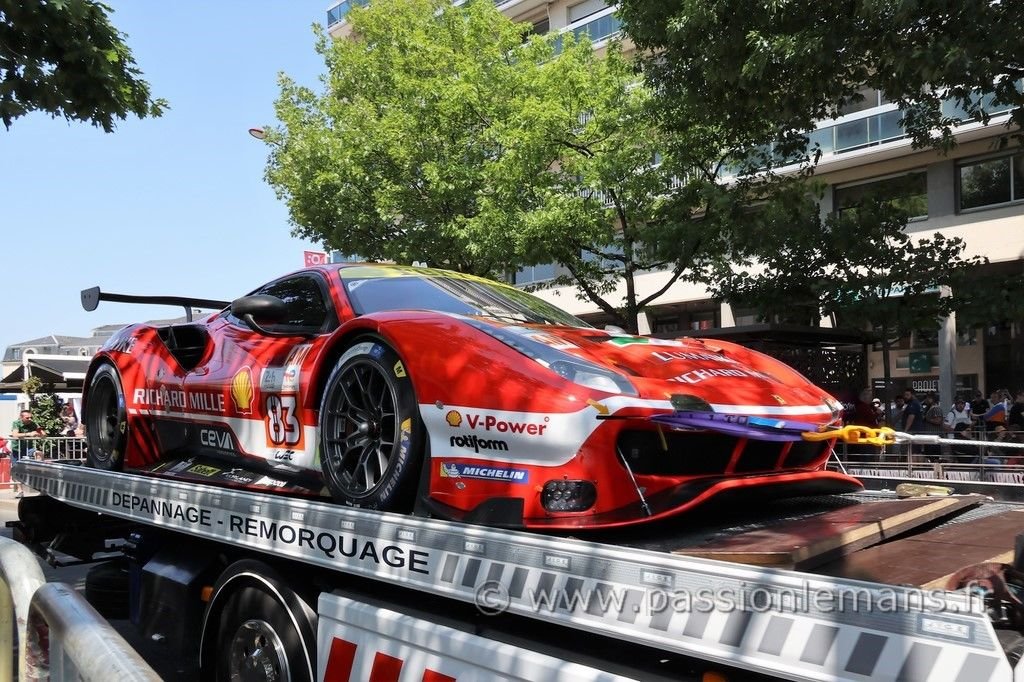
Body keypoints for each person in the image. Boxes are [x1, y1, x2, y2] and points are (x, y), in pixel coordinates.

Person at [10, 409, 44, 498]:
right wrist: (29, 434)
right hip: (17, 449)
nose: (29, 419)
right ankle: (20, 491)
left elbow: (44, 435)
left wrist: (39, 433)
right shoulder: (16, 423)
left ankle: (39, 473)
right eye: (27, 418)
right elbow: (15, 434)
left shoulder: (33, 423)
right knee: (15, 470)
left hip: (29, 448)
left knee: (39, 453)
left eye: (30, 417)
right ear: (21, 417)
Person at [944, 395, 974, 461]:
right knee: (954, 458)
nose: (960, 405)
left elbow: (969, 424)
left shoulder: (965, 413)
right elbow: (945, 427)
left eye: (962, 403)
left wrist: (968, 429)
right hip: (953, 439)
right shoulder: (952, 414)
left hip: (964, 439)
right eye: (958, 403)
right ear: (955, 404)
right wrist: (957, 431)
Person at [921, 393, 944, 460]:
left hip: (934, 437)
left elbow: (938, 421)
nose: (926, 400)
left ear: (933, 399)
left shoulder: (936, 408)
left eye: (928, 398)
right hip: (927, 437)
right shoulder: (927, 408)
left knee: (934, 457)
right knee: (928, 456)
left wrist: (927, 419)